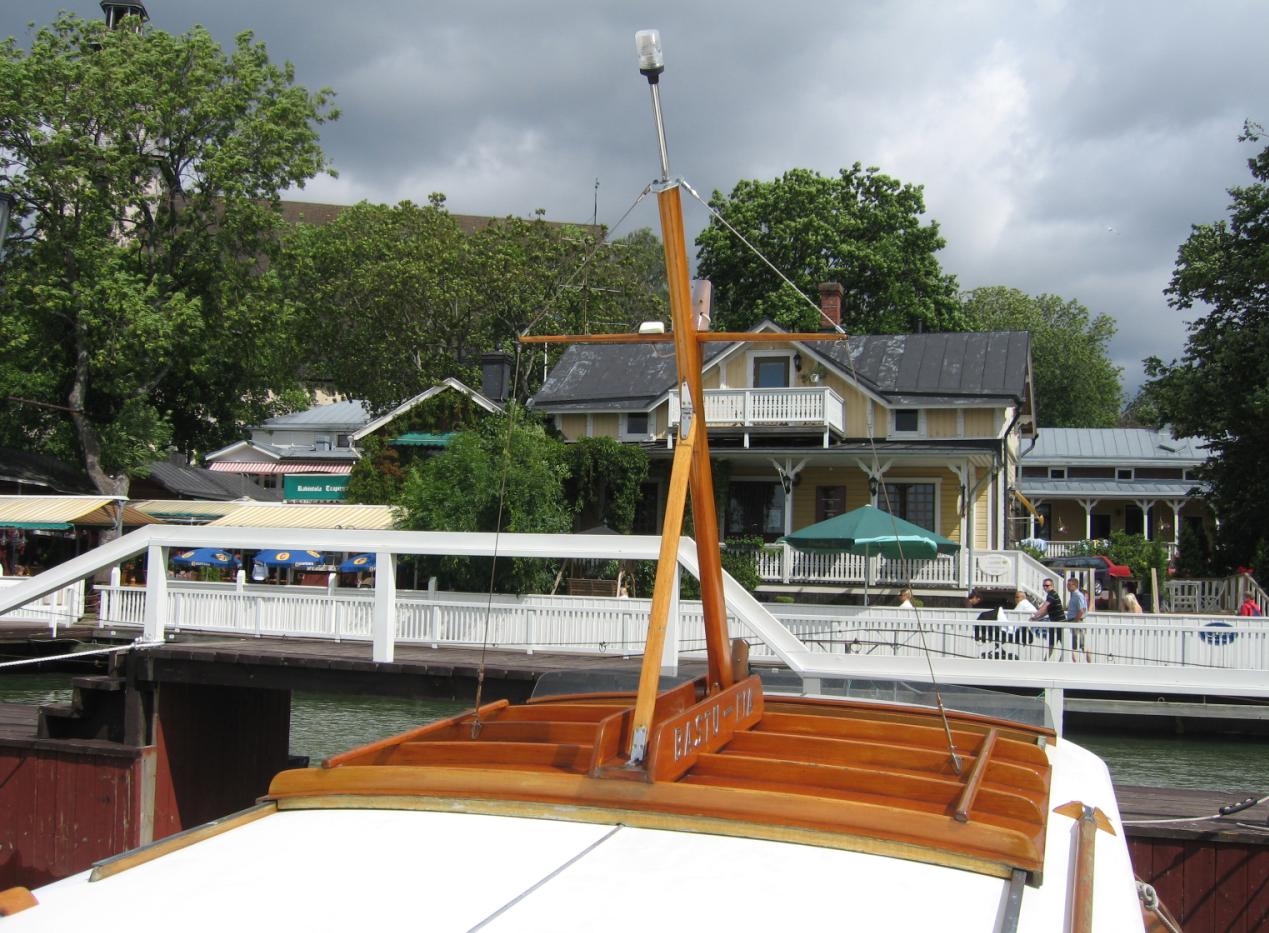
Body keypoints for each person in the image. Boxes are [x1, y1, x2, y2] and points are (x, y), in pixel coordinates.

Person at [1030, 578, 1065, 659]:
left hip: (1060, 624)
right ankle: (1045, 661)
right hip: (1054, 624)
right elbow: (1046, 611)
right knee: (1051, 645)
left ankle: (1062, 662)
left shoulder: (1052, 594)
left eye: (1047, 585)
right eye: (1044, 586)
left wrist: (1036, 614)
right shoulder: (1049, 595)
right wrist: (1036, 618)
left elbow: (1045, 606)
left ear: (1052, 586)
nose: (1045, 587)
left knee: (1065, 646)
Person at [1065, 576, 1090, 662]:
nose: (1067, 586)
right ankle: (1076, 663)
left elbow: (1082, 610)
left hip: (1077, 622)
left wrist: (1075, 621)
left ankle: (1089, 664)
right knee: (1075, 645)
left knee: (1081, 645)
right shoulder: (1074, 595)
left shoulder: (1078, 595)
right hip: (1074, 621)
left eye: (1069, 585)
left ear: (1074, 585)